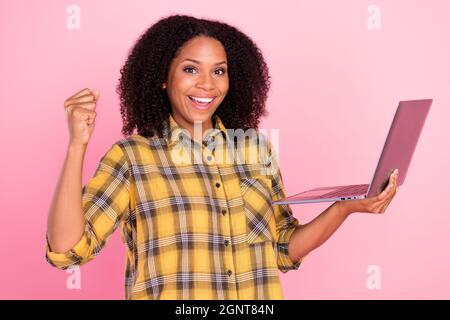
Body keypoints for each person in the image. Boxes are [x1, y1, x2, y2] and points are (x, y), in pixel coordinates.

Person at [45, 14, 399, 300]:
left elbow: (282, 248)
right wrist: (77, 144)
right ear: (162, 79)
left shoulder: (254, 149)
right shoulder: (132, 158)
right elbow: (66, 250)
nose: (207, 84)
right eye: (189, 69)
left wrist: (345, 207)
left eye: (219, 70)